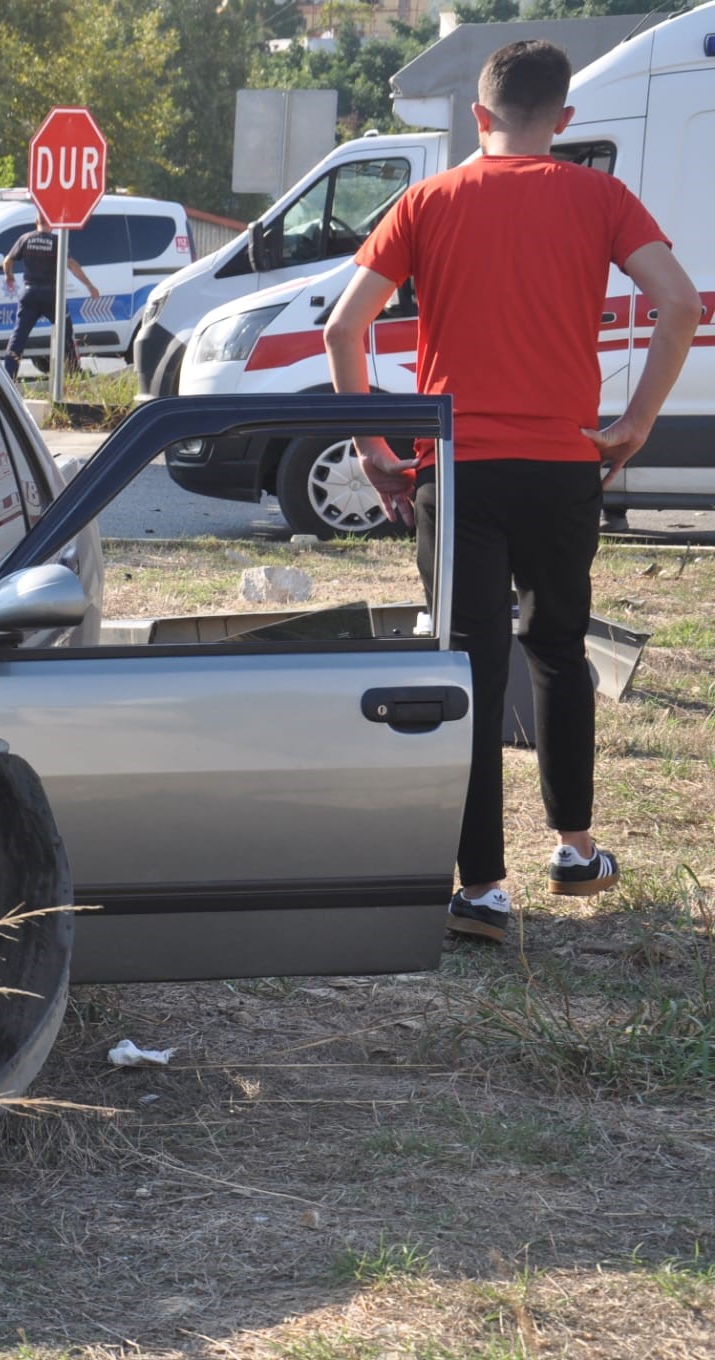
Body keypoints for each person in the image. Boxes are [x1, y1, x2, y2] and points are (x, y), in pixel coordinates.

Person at [322, 39, 699, 944]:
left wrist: (376, 448)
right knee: (561, 650)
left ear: (478, 117)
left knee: (471, 668)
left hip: (458, 470)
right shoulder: (601, 196)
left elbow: (345, 328)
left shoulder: (427, 200)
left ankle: (481, 890)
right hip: (565, 466)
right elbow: (680, 303)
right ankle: (574, 849)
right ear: (563, 122)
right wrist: (636, 424)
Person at [0, 210, 98, 378]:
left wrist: (9, 276)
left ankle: (9, 375)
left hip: (29, 294)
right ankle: (74, 373)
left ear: (36, 221)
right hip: (53, 296)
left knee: (19, 336)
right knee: (66, 334)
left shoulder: (25, 239)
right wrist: (89, 286)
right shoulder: (56, 242)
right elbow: (71, 265)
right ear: (51, 224)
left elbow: (7, 261)